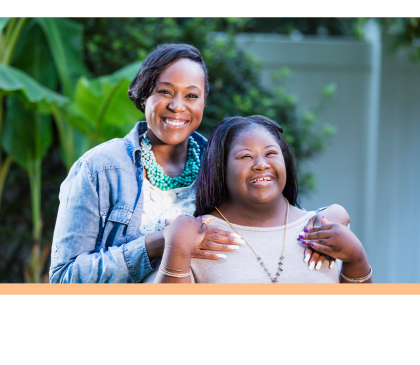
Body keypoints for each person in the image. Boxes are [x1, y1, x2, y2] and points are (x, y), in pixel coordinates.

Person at [49, 44, 244, 283]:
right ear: (144, 96)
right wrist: (157, 243)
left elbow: (269, 224)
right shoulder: (99, 168)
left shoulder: (223, 168)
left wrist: (304, 233)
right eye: (165, 92)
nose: (177, 106)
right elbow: (64, 277)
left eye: (191, 95)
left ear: (203, 102)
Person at [154, 115, 373, 283]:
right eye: (245, 156)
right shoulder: (196, 238)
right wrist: (178, 250)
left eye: (271, 153)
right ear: (220, 168)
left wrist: (357, 258)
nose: (261, 164)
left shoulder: (322, 229)